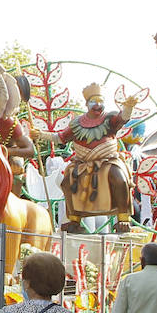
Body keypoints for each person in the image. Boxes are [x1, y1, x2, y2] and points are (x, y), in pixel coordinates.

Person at [32, 84, 137, 231]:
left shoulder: (110, 118)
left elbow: (123, 118)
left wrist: (129, 108)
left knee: (119, 178)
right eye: (94, 101)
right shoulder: (77, 123)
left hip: (108, 161)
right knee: (67, 181)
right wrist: (41, 134)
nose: (98, 105)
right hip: (83, 163)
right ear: (87, 104)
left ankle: (123, 218)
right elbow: (60, 137)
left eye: (100, 101)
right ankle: (74, 220)